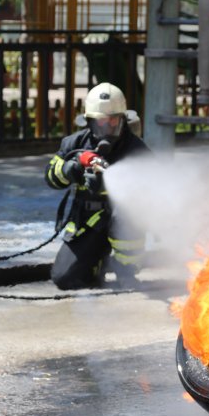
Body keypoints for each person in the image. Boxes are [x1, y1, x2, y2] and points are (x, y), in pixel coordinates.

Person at [45, 82, 149, 290]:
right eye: (102, 121)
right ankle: (97, 263)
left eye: (113, 120)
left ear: (123, 120)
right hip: (88, 222)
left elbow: (149, 192)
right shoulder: (73, 144)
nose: (108, 126)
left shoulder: (136, 150)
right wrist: (68, 170)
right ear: (90, 121)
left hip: (123, 221)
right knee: (64, 278)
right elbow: (50, 178)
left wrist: (106, 188)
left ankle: (126, 269)